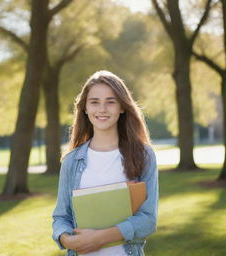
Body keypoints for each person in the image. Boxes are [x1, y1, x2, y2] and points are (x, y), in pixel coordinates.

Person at [52, 70, 159, 256]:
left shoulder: (143, 155)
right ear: (85, 108)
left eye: (111, 102)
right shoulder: (71, 161)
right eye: (94, 102)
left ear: (122, 107)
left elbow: (148, 221)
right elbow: (61, 217)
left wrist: (99, 238)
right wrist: (67, 240)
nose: (102, 109)